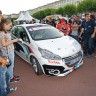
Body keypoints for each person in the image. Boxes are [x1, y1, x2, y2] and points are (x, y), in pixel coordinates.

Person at [0, 18, 20, 83]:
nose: (10, 27)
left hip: (9, 51)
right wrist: (14, 40)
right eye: (9, 25)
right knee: (10, 65)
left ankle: (11, 76)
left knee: (10, 65)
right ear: (4, 24)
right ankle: (10, 78)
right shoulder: (2, 33)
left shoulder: (4, 32)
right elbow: (4, 44)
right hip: (7, 52)